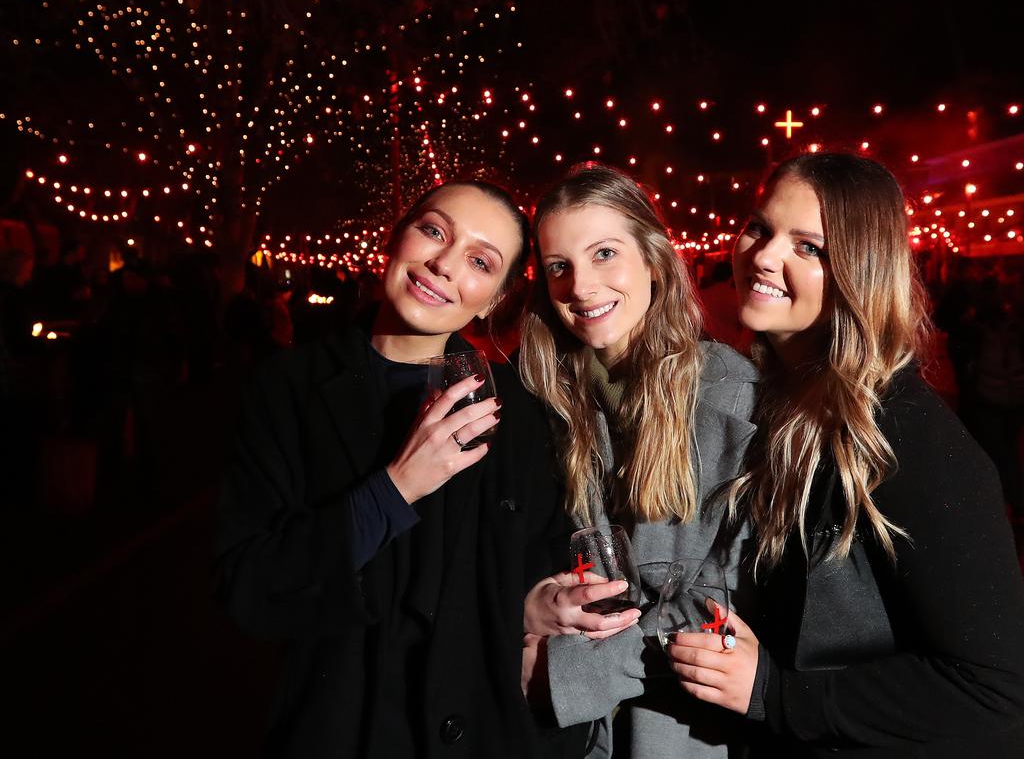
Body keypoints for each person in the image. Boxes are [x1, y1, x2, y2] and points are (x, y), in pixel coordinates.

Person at [216, 180, 588, 758]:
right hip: (339, 728)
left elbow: (527, 571)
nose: (442, 264)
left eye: (479, 261)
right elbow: (249, 587)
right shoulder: (287, 391)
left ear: (493, 297)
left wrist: (542, 601)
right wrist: (395, 489)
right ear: (397, 238)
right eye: (434, 231)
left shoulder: (520, 415)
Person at [669, 152, 1024, 757]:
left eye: (809, 248)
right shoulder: (771, 396)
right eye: (760, 227)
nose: (763, 256)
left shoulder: (905, 435)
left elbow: (997, 689)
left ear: (860, 270)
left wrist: (776, 694)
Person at [518, 163, 759, 757]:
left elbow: (724, 602)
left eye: (604, 253)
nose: (580, 285)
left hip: (680, 730)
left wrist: (563, 673)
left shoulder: (726, 394)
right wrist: (531, 606)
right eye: (559, 267)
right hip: (579, 739)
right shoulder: (546, 398)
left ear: (653, 259)